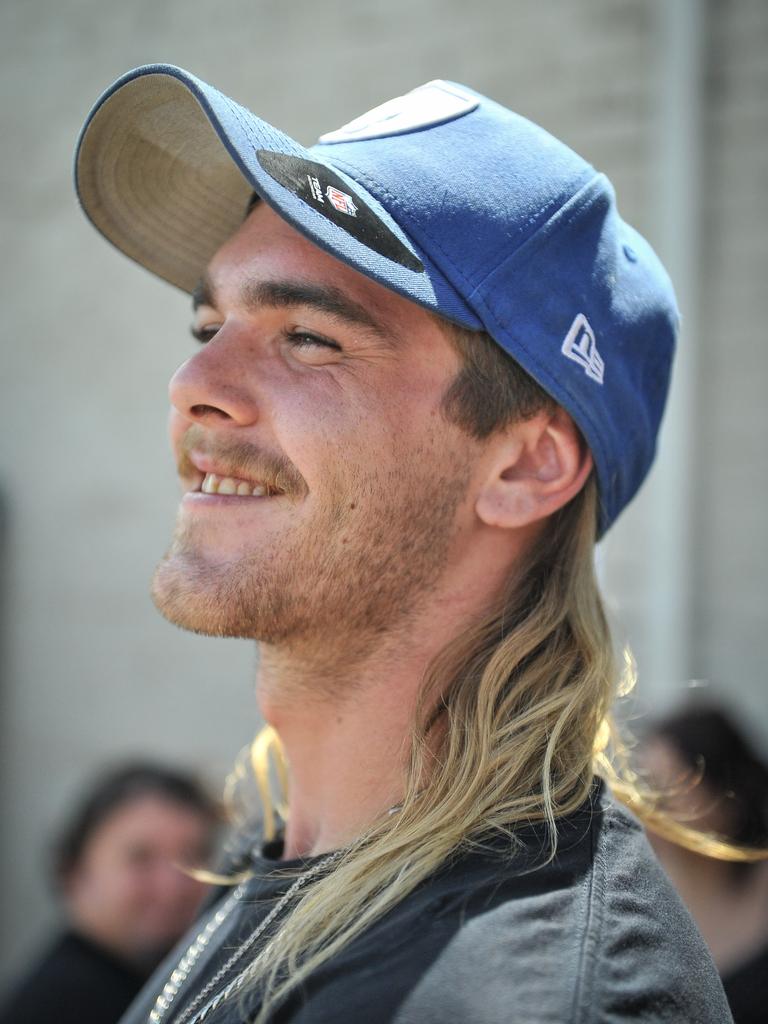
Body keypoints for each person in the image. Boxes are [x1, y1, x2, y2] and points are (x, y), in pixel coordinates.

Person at [72, 68, 740, 1023]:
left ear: (526, 468)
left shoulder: (531, 997)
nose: (193, 380)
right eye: (211, 323)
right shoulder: (288, 856)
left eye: (309, 336)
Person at [0, 762, 220, 1024]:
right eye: (141, 858)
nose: (173, 886)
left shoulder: (153, 987)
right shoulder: (67, 1003)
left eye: (194, 856)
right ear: (74, 873)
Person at [639, 704, 768, 1024]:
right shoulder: (637, 906)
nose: (646, 813)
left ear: (727, 799)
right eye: (641, 792)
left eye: (663, 796)